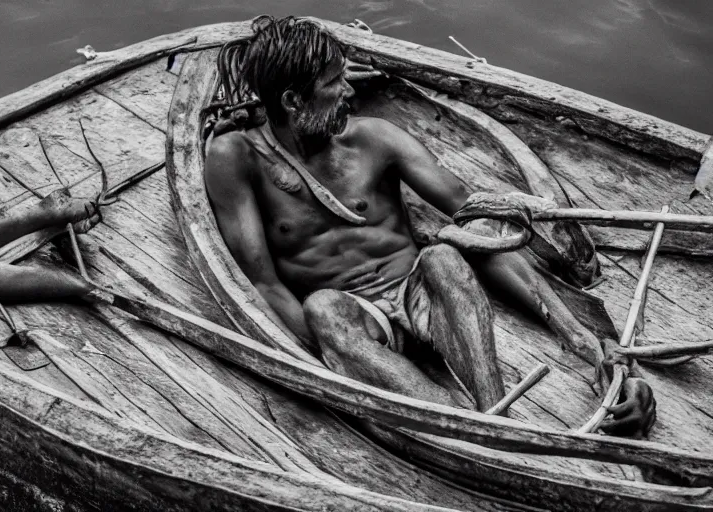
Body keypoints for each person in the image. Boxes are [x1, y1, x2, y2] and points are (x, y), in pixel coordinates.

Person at [204, 16, 655, 436]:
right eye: (334, 82)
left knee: (445, 253)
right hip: (357, 320)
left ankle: (493, 415)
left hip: (419, 295)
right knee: (322, 306)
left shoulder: (374, 138)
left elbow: (478, 217)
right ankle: (455, 425)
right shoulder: (235, 159)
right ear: (291, 101)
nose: (349, 91)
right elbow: (263, 283)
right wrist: (331, 357)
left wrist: (598, 348)